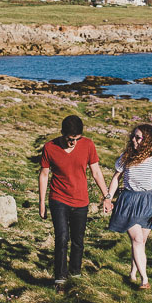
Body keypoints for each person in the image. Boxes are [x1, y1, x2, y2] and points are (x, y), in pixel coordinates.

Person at [39, 115, 109, 289]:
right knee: (62, 238)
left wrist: (107, 197)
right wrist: (41, 203)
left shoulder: (88, 145)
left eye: (77, 139)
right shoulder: (50, 147)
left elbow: (96, 172)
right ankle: (60, 279)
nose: (74, 143)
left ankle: (75, 274)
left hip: (81, 200)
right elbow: (44, 175)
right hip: (58, 198)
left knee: (78, 240)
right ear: (63, 134)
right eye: (70, 139)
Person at [104, 124, 152, 289]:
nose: (133, 140)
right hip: (129, 200)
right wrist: (108, 198)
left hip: (147, 201)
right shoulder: (126, 156)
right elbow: (116, 178)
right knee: (137, 239)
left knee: (141, 241)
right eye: (133, 136)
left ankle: (133, 272)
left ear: (148, 141)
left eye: (138, 137)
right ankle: (145, 280)